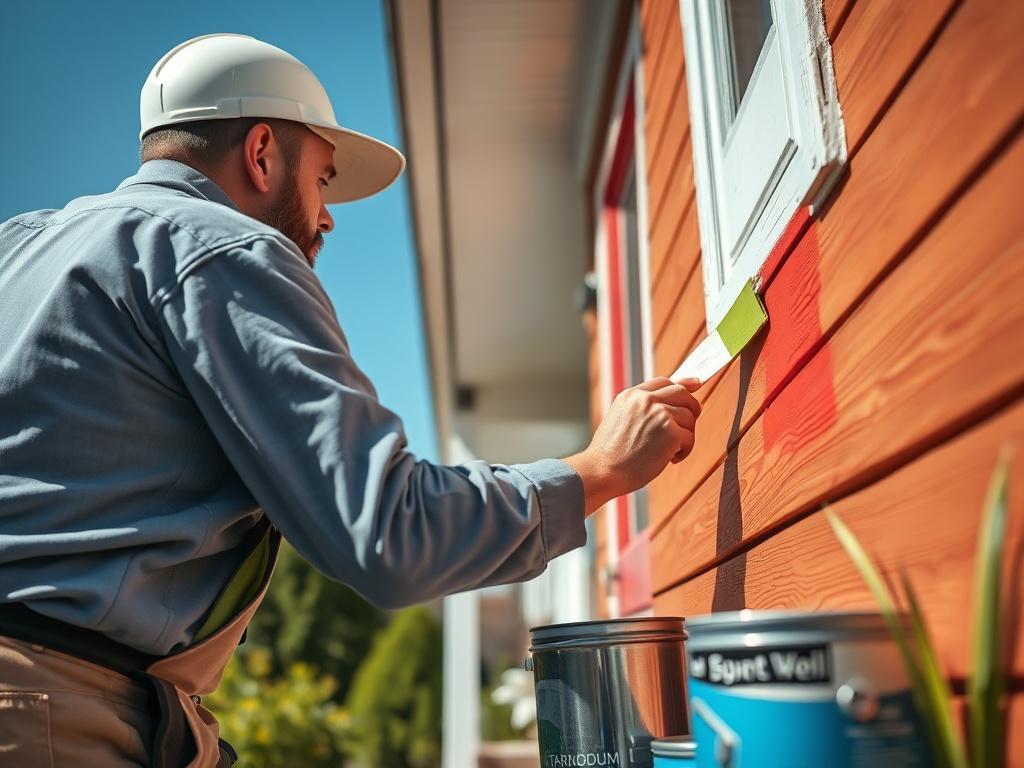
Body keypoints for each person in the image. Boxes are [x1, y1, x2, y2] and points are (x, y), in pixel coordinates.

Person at [0, 34, 701, 768]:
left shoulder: (24, 248)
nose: (328, 217)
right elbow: (388, 533)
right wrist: (600, 469)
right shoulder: (220, 247)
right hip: (52, 719)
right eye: (324, 180)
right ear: (263, 152)